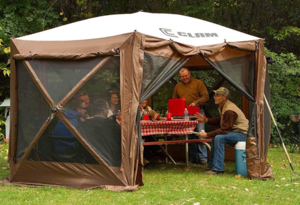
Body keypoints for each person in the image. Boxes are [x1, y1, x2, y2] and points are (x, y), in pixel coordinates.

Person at [195, 87, 249, 175]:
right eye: (215, 95)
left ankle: (218, 169)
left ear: (224, 97)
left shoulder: (229, 111)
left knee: (218, 138)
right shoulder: (223, 106)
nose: (215, 97)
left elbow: (224, 130)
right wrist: (206, 120)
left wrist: (207, 134)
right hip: (234, 132)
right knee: (215, 138)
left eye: (218, 95)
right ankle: (212, 166)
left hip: (241, 134)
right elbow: (219, 120)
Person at [172, 67, 209, 165]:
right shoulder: (178, 86)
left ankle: (203, 158)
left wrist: (195, 102)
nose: (184, 78)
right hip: (185, 112)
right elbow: (174, 100)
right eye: (182, 76)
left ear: (189, 74)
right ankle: (192, 157)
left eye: (186, 75)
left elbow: (206, 96)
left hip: (198, 111)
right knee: (189, 134)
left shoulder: (198, 83)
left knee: (201, 133)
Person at [79, 98, 121, 167]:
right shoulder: (111, 124)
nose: (108, 110)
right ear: (104, 109)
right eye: (108, 108)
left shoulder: (85, 124)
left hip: (90, 161)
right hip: (111, 162)